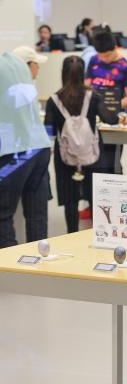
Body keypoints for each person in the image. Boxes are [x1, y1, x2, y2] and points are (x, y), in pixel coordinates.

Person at [45, 56, 117, 233]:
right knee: (95, 196)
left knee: (70, 200)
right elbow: (110, 119)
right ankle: (99, 233)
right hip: (92, 154)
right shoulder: (93, 96)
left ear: (63, 73)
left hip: (65, 156)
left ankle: (72, 234)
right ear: (83, 73)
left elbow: (49, 130)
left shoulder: (54, 100)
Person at [1, 48, 51, 248]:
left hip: (13, 151)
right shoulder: (18, 68)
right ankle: (38, 260)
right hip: (39, 147)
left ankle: (8, 264)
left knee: (2, 215)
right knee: (36, 214)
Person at [85, 30, 127, 174]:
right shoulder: (94, 61)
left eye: (107, 55)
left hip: (114, 120)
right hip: (93, 119)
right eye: (101, 56)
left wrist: (109, 110)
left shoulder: (125, 66)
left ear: (115, 48)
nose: (104, 59)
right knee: (92, 160)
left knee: (111, 160)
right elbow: (86, 86)